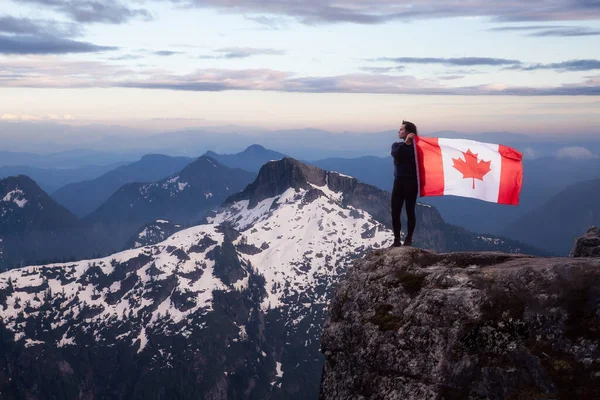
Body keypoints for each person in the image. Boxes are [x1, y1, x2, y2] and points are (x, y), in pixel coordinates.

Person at [390, 120, 418, 247]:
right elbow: (396, 155)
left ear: (408, 132)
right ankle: (396, 240)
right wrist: (406, 143)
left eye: (401, 129)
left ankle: (409, 239)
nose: (399, 131)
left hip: (412, 182)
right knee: (395, 211)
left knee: (410, 211)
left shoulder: (418, 148)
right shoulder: (396, 146)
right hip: (399, 182)